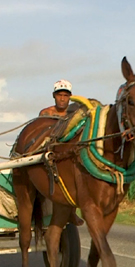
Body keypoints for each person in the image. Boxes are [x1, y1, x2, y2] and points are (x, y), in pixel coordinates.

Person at [39, 79, 84, 226]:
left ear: (70, 97)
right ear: (54, 96)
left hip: (66, 152)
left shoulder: (75, 114)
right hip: (48, 149)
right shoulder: (46, 113)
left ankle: (72, 211)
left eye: (65, 95)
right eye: (60, 95)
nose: (62, 98)